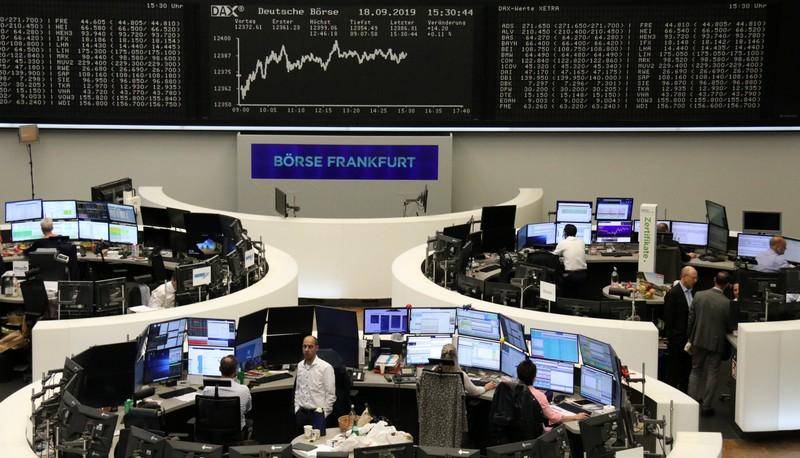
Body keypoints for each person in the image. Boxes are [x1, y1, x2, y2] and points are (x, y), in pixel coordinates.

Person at [687, 272, 733, 416]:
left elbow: (691, 319)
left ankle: (690, 404)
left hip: (698, 339)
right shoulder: (727, 303)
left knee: (695, 370)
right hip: (716, 343)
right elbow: (729, 326)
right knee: (713, 373)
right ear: (727, 285)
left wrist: (690, 338)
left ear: (714, 280)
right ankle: (706, 406)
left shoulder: (699, 296)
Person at [516, 359, 587, 430]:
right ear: (534, 377)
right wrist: (576, 417)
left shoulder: (513, 389)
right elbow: (554, 418)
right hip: (536, 433)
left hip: (518, 431)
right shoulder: (539, 396)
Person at [662, 266, 698, 393]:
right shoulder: (673, 294)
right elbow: (668, 318)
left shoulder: (692, 292)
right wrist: (674, 337)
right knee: (673, 371)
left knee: (686, 371)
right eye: (693, 278)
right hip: (677, 341)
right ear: (684, 277)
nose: (695, 280)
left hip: (689, 340)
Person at [294, 335, 336, 431]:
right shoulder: (300, 366)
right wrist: (297, 409)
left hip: (318, 415)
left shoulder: (325, 368)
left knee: (318, 440)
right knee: (300, 440)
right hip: (301, 414)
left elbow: (331, 395)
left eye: (310, 347)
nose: (306, 350)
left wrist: (323, 415)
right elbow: (297, 390)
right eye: (304, 346)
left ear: (316, 348)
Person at [200, 355, 252, 431]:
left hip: (211, 430)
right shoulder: (244, 390)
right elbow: (248, 409)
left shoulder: (207, 389)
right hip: (235, 431)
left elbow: (203, 410)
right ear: (236, 371)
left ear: (219, 369)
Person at [553, 224, 587, 298]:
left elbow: (554, 255)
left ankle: (563, 298)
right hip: (583, 274)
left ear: (564, 233)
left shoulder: (563, 243)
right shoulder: (581, 242)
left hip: (570, 275)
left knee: (556, 276)